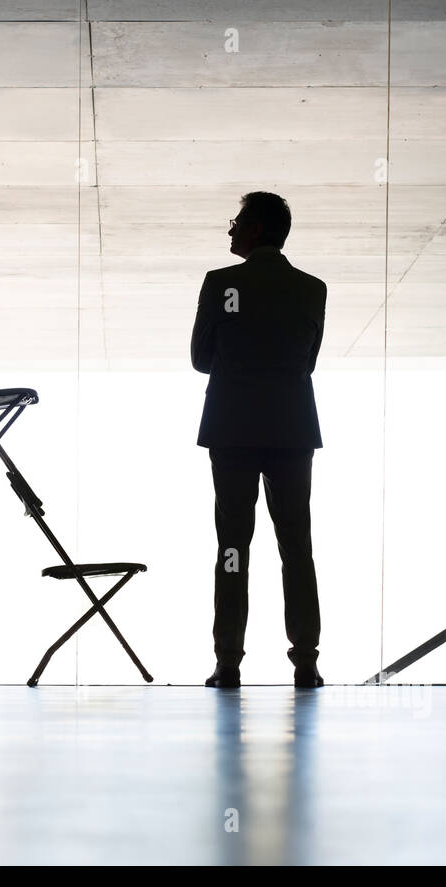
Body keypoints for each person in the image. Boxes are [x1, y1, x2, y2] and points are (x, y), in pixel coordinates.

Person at [190, 191, 326, 690]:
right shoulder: (312, 288)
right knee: (297, 547)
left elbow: (202, 358)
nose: (230, 230)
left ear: (255, 228)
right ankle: (306, 662)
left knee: (233, 548)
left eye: (236, 222)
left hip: (233, 430)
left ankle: (228, 663)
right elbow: (306, 360)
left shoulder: (223, 284)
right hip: (291, 429)